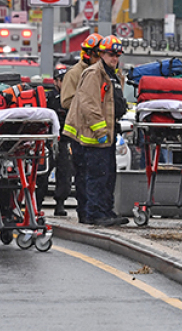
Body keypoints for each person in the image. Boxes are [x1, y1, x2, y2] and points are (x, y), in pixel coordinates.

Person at [63, 35, 128, 226]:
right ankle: (94, 213)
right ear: (101, 54)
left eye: (117, 55)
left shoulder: (112, 74)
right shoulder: (93, 74)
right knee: (96, 176)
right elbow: (89, 105)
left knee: (107, 175)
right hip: (92, 136)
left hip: (107, 135)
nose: (114, 58)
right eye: (110, 54)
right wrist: (100, 131)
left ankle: (106, 211)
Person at [62, 33, 103, 223]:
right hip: (79, 131)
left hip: (96, 130)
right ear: (88, 54)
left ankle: (95, 209)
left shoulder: (103, 72)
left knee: (97, 174)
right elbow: (66, 101)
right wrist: (87, 102)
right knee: (82, 173)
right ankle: (84, 211)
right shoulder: (75, 73)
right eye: (97, 54)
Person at [48, 64, 73, 217]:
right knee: (42, 173)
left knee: (65, 173)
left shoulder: (71, 98)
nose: (64, 83)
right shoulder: (49, 98)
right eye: (62, 80)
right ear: (55, 81)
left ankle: (60, 204)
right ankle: (36, 205)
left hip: (65, 141)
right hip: (48, 141)